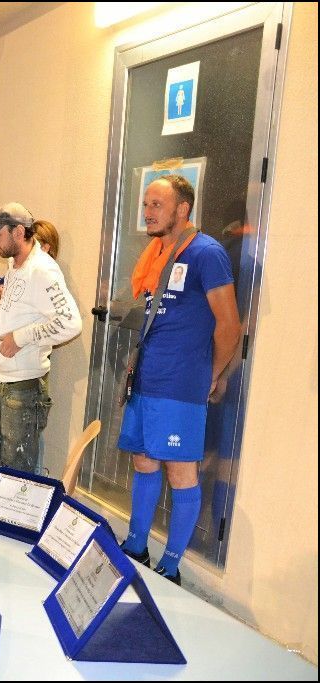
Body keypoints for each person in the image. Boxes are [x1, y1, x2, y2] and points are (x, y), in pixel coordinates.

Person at [118, 175, 240, 585]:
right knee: (143, 459)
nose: (147, 212)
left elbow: (229, 325)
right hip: (146, 377)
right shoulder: (156, 254)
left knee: (180, 473)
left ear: (182, 209)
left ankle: (170, 567)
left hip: (180, 385)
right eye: (146, 204)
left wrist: (211, 375)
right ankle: (136, 546)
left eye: (156, 204)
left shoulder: (207, 253)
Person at [0, 202, 82, 474]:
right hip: (1, 381)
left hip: (23, 387)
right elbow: (23, 313)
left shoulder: (42, 270)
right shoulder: (15, 265)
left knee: (15, 474)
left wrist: (21, 337)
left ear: (18, 232)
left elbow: (70, 322)